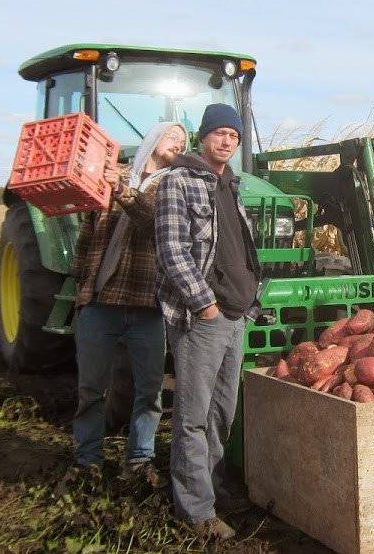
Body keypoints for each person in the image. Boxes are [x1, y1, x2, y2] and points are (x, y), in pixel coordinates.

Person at [155, 103, 260, 541]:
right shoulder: (177, 181)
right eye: (219, 133)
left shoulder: (230, 185)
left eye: (233, 136)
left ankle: (210, 488)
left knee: (222, 414)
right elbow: (173, 251)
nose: (226, 141)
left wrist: (249, 303)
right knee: (193, 417)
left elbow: (238, 251)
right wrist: (205, 306)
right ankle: (194, 510)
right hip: (203, 318)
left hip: (236, 317)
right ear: (204, 137)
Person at [66, 121, 185, 488]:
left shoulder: (171, 185)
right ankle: (87, 462)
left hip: (146, 303)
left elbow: (150, 218)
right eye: (172, 136)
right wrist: (82, 289)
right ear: (152, 140)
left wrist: (121, 189)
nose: (180, 143)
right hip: (100, 303)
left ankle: (139, 461)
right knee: (90, 389)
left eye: (184, 140)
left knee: (149, 392)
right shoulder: (108, 176)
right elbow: (88, 234)